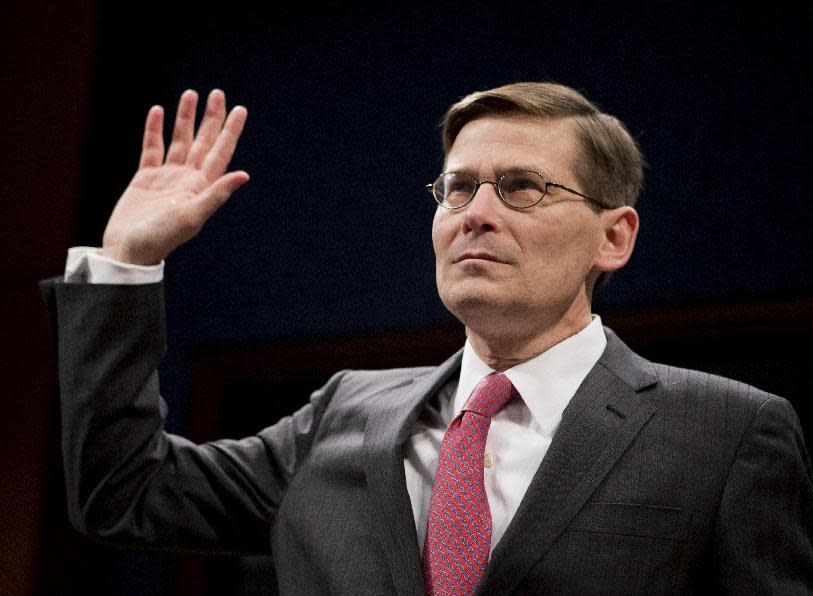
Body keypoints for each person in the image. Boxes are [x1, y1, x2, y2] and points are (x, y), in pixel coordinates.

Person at [42, 82, 812, 595]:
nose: (476, 212)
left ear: (613, 236)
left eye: (520, 187)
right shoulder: (343, 411)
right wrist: (126, 264)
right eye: (457, 187)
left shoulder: (728, 430)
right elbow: (123, 494)